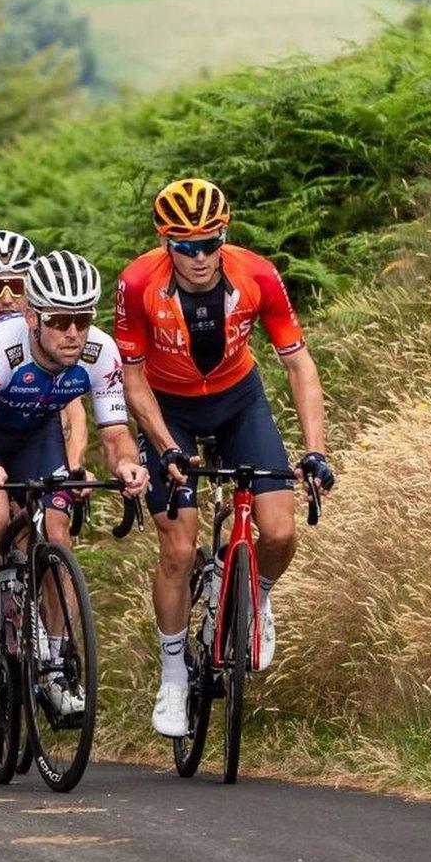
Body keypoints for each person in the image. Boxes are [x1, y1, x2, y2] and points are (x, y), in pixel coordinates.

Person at [112, 178, 335, 739]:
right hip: (169, 409)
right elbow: (131, 384)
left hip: (239, 401)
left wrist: (315, 451)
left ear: (224, 234)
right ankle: (171, 678)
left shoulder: (256, 274)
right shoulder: (137, 283)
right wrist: (164, 446)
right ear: (166, 243)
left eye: (210, 242)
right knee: (179, 548)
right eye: (185, 246)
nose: (200, 256)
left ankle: (253, 597)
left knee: (280, 534)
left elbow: (299, 365)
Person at [0, 251, 149, 718]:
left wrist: (128, 466)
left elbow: (115, 434)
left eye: (81, 318)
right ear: (33, 315)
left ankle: (57, 662)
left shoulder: (100, 351)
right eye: (59, 320)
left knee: (57, 534)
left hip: (37, 435)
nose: (73, 332)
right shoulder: (1, 349)